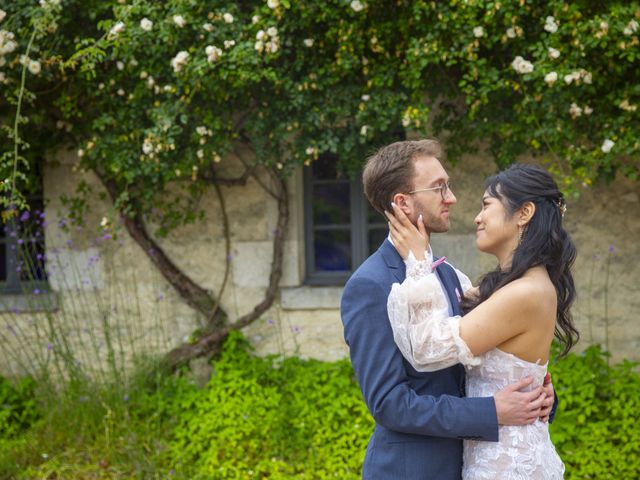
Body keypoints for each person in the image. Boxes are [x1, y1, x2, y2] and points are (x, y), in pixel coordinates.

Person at [340, 139, 556, 480]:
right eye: (440, 187)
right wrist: (490, 412)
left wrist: (536, 392)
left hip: (481, 462)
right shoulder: (371, 284)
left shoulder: (445, 273)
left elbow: (484, 356)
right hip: (414, 471)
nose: (452, 197)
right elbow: (389, 404)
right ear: (402, 203)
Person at [386, 163, 577, 479]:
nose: (477, 217)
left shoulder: (526, 291)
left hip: (508, 464)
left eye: (487, 205)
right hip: (494, 454)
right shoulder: (511, 287)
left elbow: (427, 347)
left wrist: (418, 265)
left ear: (524, 213)